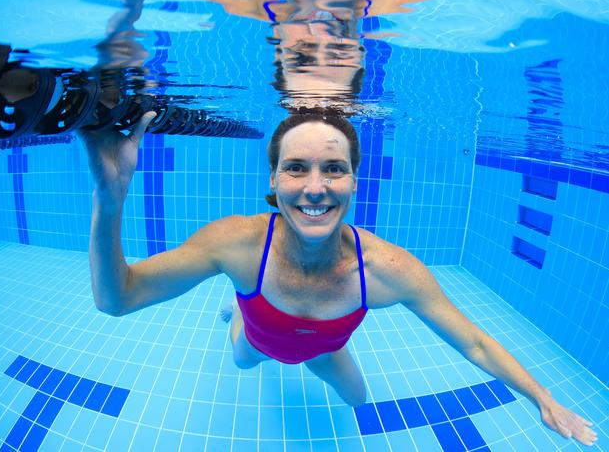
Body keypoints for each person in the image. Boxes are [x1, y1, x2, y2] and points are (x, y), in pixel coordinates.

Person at [79, 108, 596, 446]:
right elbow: (117, 299)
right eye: (296, 168)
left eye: (334, 168)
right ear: (273, 179)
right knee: (242, 361)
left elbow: (477, 345)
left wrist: (542, 397)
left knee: (357, 401)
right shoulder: (237, 244)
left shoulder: (388, 271)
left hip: (324, 349)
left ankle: (247, 312)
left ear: (354, 179)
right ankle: (239, 313)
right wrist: (110, 198)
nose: (315, 188)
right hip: (258, 339)